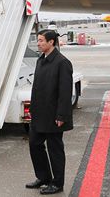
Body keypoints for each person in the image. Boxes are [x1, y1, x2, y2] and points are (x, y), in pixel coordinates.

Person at [26, 29, 73, 195]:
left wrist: (62, 115)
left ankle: (57, 183)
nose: (38, 43)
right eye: (37, 40)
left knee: (55, 150)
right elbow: (36, 88)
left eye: (41, 41)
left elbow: (65, 92)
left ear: (51, 42)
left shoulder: (62, 62)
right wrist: (32, 109)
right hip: (39, 113)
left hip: (54, 116)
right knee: (34, 145)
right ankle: (43, 177)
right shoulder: (41, 60)